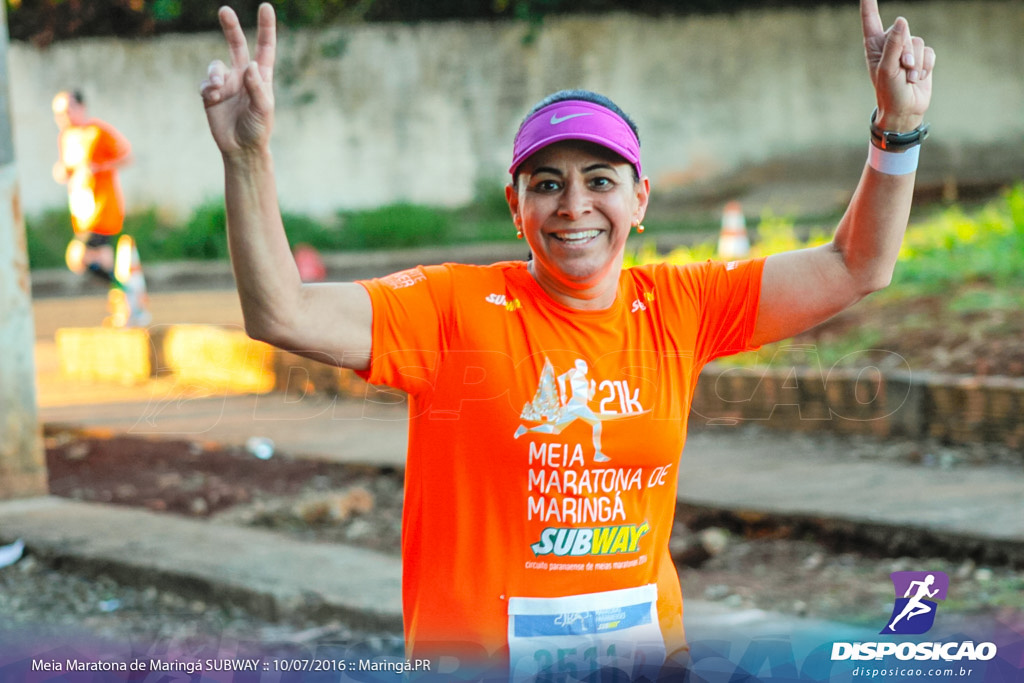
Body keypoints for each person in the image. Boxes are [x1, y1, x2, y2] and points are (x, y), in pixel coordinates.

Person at [199, 0, 934, 678]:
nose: (574, 205)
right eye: (546, 183)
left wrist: (895, 133)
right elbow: (283, 311)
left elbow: (855, 264)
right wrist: (247, 159)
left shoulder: (682, 305)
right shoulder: (451, 306)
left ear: (639, 198)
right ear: (515, 206)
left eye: (600, 179)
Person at [51, 89, 149, 327]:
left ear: (81, 107)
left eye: (67, 110)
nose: (63, 117)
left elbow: (127, 156)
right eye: (58, 113)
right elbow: (68, 170)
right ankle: (127, 307)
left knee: (77, 257)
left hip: (102, 209)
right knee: (104, 262)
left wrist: (100, 166)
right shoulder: (66, 138)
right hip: (83, 212)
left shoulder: (97, 132)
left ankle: (129, 296)